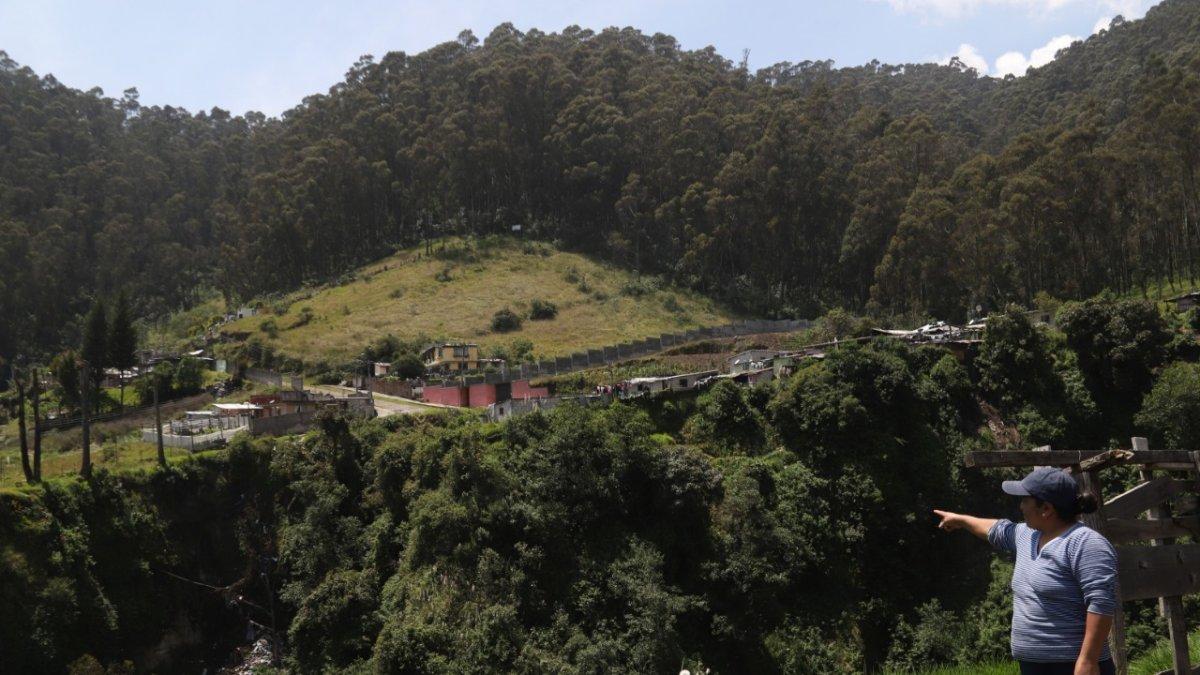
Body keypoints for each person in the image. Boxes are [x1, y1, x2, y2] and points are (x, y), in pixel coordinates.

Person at [933, 467, 1118, 675]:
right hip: (1033, 666)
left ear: (1046, 509)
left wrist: (1088, 661)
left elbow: (1101, 603)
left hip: (1074, 666)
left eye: (1025, 501)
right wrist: (959, 520)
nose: (1021, 506)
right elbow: (995, 529)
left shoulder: (1086, 543)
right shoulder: (1027, 535)